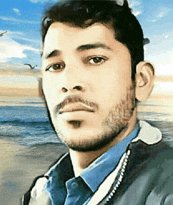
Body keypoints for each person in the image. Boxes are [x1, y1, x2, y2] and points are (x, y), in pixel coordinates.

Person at [21, 0, 173, 204]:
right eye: (56, 66)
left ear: (141, 81)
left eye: (95, 59)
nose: (69, 82)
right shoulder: (42, 194)